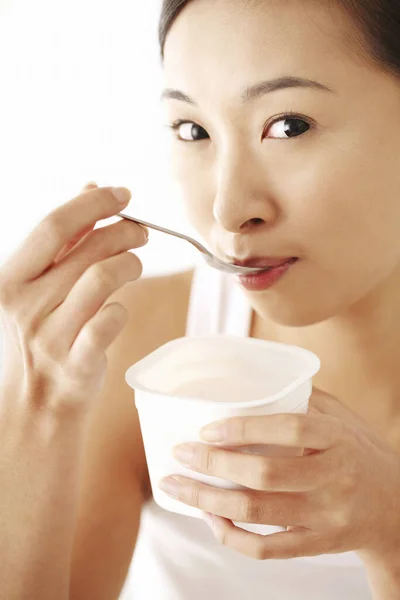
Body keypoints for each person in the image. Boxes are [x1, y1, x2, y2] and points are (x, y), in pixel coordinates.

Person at [1, 0, 400, 598]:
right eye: (194, 131)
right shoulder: (137, 353)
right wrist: (40, 406)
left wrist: (392, 531)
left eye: (288, 125)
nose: (227, 211)